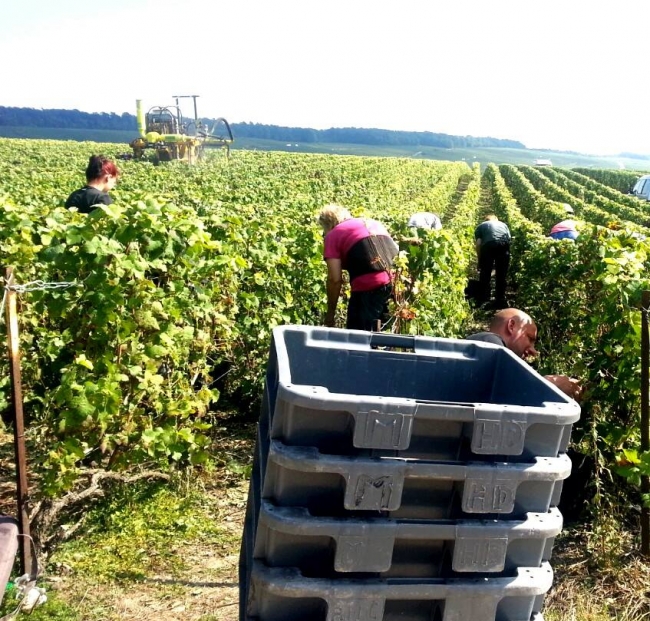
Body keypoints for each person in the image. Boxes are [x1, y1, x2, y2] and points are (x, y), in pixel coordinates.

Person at [466, 308, 582, 400]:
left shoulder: (486, 348)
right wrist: (551, 384)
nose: (533, 351)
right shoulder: (488, 341)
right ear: (511, 326)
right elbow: (509, 391)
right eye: (530, 338)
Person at [318, 204, 398, 331]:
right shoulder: (374, 223)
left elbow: (335, 279)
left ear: (327, 224)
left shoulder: (333, 235)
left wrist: (330, 313)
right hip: (394, 284)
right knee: (384, 334)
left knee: (359, 338)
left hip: (368, 287)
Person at [474, 214, 511, 307]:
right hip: (503, 245)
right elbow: (508, 240)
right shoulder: (503, 225)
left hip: (488, 245)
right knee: (501, 274)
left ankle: (484, 299)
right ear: (496, 219)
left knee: (485, 273)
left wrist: (480, 261)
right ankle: (500, 299)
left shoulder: (481, 226)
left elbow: (478, 244)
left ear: (485, 220)